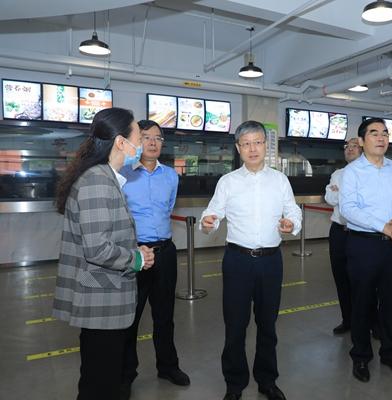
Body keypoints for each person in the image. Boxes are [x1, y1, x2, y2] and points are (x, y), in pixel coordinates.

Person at [52, 107, 156, 400]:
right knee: (99, 384)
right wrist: (137, 258)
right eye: (139, 137)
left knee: (102, 377)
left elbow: (105, 236)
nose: (142, 144)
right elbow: (97, 248)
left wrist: (132, 249)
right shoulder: (97, 181)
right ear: (121, 142)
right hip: (101, 301)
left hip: (105, 298)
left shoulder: (105, 177)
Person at [201, 121, 300, 400]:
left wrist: (291, 223)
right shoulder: (228, 182)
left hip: (271, 261)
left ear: (266, 146)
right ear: (238, 148)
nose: (252, 148)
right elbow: (212, 213)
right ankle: (234, 383)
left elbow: (293, 211)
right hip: (238, 261)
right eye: (246, 143)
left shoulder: (279, 180)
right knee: (235, 325)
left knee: (268, 325)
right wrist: (208, 222)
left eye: (257, 142)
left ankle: (267, 380)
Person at [338, 118, 392, 383]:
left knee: (391, 303)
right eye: (374, 133)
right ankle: (361, 356)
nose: (381, 137)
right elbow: (348, 209)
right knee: (362, 303)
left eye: (385, 133)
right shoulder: (352, 171)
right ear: (362, 141)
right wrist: (383, 226)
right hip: (364, 245)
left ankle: (389, 352)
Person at [118, 120, 189, 396]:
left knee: (165, 316)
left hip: (165, 253)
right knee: (130, 318)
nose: (152, 143)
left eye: (158, 138)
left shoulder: (171, 176)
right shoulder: (122, 174)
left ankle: (168, 366)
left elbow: (168, 208)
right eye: (146, 137)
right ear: (137, 141)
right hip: (134, 254)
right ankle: (126, 373)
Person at [324, 136, 364, 334]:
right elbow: (330, 199)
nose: (349, 148)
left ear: (363, 149)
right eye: (347, 146)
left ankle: (371, 323)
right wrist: (342, 195)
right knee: (341, 278)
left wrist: (340, 193)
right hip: (339, 232)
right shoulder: (338, 173)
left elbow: (363, 202)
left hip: (361, 234)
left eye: (354, 146)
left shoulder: (369, 174)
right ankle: (347, 319)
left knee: (364, 280)